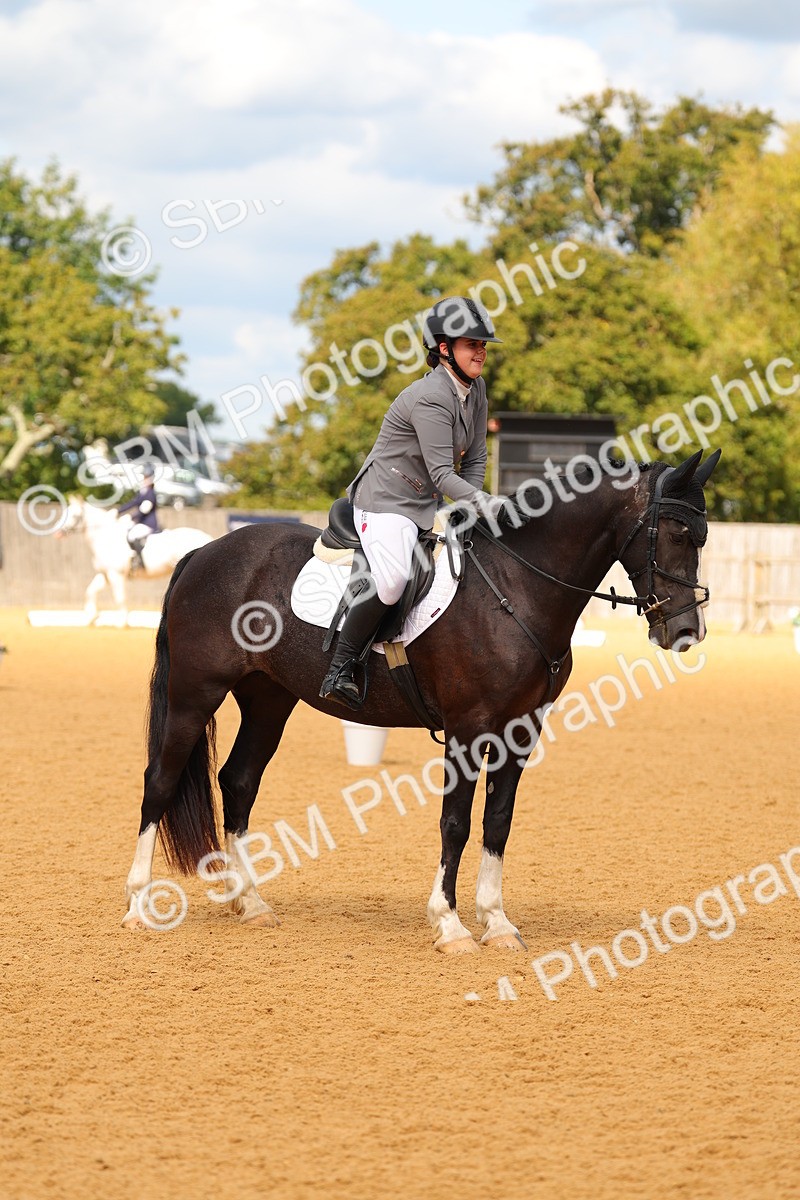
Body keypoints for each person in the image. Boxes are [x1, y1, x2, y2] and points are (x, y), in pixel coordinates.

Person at [319, 295, 510, 709]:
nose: (481, 351)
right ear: (444, 349)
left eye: (482, 345)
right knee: (390, 580)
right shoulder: (431, 397)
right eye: (471, 344)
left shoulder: (475, 391)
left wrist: (472, 505)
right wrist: (483, 502)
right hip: (386, 499)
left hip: (425, 502)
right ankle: (341, 666)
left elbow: (475, 457)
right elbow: (443, 473)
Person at [117, 468, 160, 571]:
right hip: (141, 522)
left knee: (132, 535)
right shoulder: (143, 492)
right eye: (144, 476)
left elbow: (144, 510)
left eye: (146, 477)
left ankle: (140, 561)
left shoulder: (150, 494)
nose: (144, 479)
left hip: (148, 524)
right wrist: (118, 511)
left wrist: (131, 516)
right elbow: (133, 503)